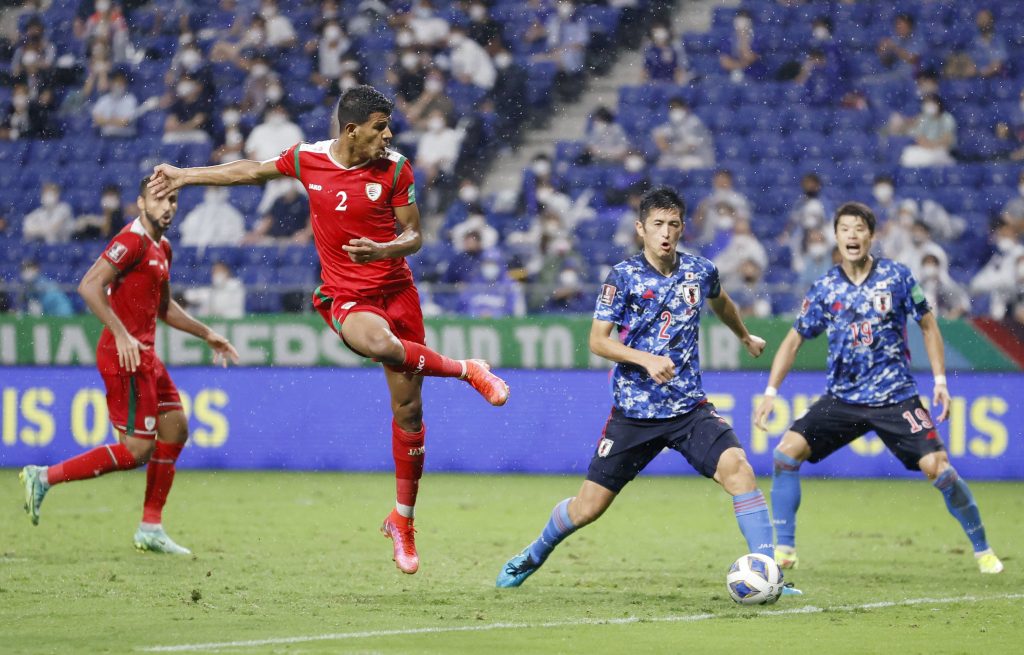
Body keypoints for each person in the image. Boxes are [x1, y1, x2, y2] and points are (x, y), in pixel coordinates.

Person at [147, 85, 510, 575]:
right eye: (380, 126)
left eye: (389, 126)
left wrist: (383, 251)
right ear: (351, 130)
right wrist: (184, 175)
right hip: (349, 296)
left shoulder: (397, 169)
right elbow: (247, 171)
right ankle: (469, 371)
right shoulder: (309, 160)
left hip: (397, 290)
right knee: (377, 343)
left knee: (408, 409)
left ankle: (401, 521)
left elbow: (415, 235)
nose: (388, 134)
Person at [496, 187, 798, 593]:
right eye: (657, 224)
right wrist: (646, 359)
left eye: (673, 224)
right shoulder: (623, 277)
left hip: (689, 409)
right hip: (634, 414)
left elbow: (721, 301)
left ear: (683, 228)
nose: (666, 232)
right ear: (641, 229)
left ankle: (767, 573)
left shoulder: (700, 270)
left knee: (740, 471)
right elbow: (598, 341)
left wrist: (744, 335)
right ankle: (533, 554)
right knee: (588, 508)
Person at [753, 202, 1003, 576]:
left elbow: (929, 325)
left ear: (872, 235)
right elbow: (792, 341)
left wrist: (939, 383)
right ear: (835, 237)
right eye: (845, 229)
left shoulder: (897, 277)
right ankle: (785, 550)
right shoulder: (825, 288)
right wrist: (771, 392)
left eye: (859, 229)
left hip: (896, 397)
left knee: (941, 470)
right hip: (842, 399)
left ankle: (983, 549)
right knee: (785, 455)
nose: (852, 236)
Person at [19, 177, 240, 555]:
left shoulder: (162, 247)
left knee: (176, 428)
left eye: (172, 199)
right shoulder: (131, 241)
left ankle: (150, 527)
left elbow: (164, 307)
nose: (167, 206)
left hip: (145, 355)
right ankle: (44, 476)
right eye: (159, 199)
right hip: (124, 356)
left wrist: (206, 333)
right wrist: (121, 333)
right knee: (137, 450)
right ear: (141, 203)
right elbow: (89, 286)